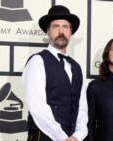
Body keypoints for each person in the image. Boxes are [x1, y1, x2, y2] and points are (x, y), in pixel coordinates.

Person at [22, 5, 88, 141]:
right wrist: (62, 137)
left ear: (71, 32)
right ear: (48, 31)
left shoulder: (76, 67)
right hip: (44, 137)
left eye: (65, 27)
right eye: (55, 26)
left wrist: (78, 136)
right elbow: (37, 107)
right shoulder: (37, 61)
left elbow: (82, 107)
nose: (61, 31)